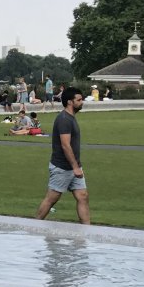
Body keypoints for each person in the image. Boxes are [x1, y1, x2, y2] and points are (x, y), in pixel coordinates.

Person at [34, 87, 90, 225]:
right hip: (62, 168)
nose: (82, 102)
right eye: (79, 100)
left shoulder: (70, 118)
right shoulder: (64, 119)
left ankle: (88, 232)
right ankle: (34, 226)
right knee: (51, 199)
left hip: (74, 167)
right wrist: (75, 167)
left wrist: (77, 167)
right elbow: (65, 145)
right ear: (70, 102)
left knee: (82, 197)